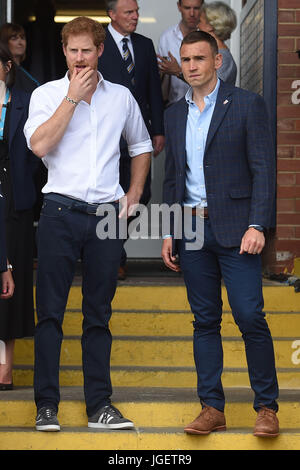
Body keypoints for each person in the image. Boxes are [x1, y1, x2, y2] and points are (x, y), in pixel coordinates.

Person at [24, 16, 152, 432]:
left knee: (98, 314)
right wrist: (73, 99)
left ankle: (100, 405)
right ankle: (47, 405)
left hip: (105, 217)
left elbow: (142, 146)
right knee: (50, 315)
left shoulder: (121, 97)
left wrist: (132, 196)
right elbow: (40, 145)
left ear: (100, 51)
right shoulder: (47, 94)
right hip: (59, 211)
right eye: (72, 50)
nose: (80, 58)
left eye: (87, 50)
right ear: (64, 51)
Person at [161, 31, 279, 437]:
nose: (192, 66)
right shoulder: (174, 114)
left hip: (237, 230)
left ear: (216, 61)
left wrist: (257, 224)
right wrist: (169, 230)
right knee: (205, 321)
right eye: (186, 59)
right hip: (191, 229)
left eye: (199, 58)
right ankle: (212, 407)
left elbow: (264, 169)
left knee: (250, 316)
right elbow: (173, 177)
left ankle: (266, 406)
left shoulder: (246, 104)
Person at [98, 0, 165, 279]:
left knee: (141, 194)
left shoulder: (145, 44)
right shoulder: (97, 43)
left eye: (136, 11)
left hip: (140, 135)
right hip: (107, 133)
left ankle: (112, 248)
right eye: (128, 12)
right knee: (111, 195)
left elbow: (153, 91)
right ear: (111, 14)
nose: (135, 17)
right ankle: (113, 257)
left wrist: (158, 130)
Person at [0, 42, 38, 390]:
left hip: (14, 201)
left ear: (6, 67)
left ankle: (4, 368)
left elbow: (37, 155)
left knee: (9, 285)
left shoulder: (26, 103)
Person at [157, 0, 203, 106]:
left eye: (196, 8)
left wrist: (178, 71)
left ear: (202, 7)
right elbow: (161, 80)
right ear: (179, 6)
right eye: (187, 8)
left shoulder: (207, 37)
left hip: (203, 105)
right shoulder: (166, 38)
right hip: (173, 105)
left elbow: (211, 81)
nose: (192, 13)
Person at [197, 1, 237, 85]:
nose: (198, 26)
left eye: (200, 21)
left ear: (210, 26)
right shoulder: (214, 53)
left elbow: (209, 88)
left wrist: (178, 72)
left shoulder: (223, 58)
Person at [0, 23, 40, 93]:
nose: (20, 42)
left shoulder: (22, 71)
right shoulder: (4, 72)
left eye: (22, 38)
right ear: (4, 43)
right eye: (14, 38)